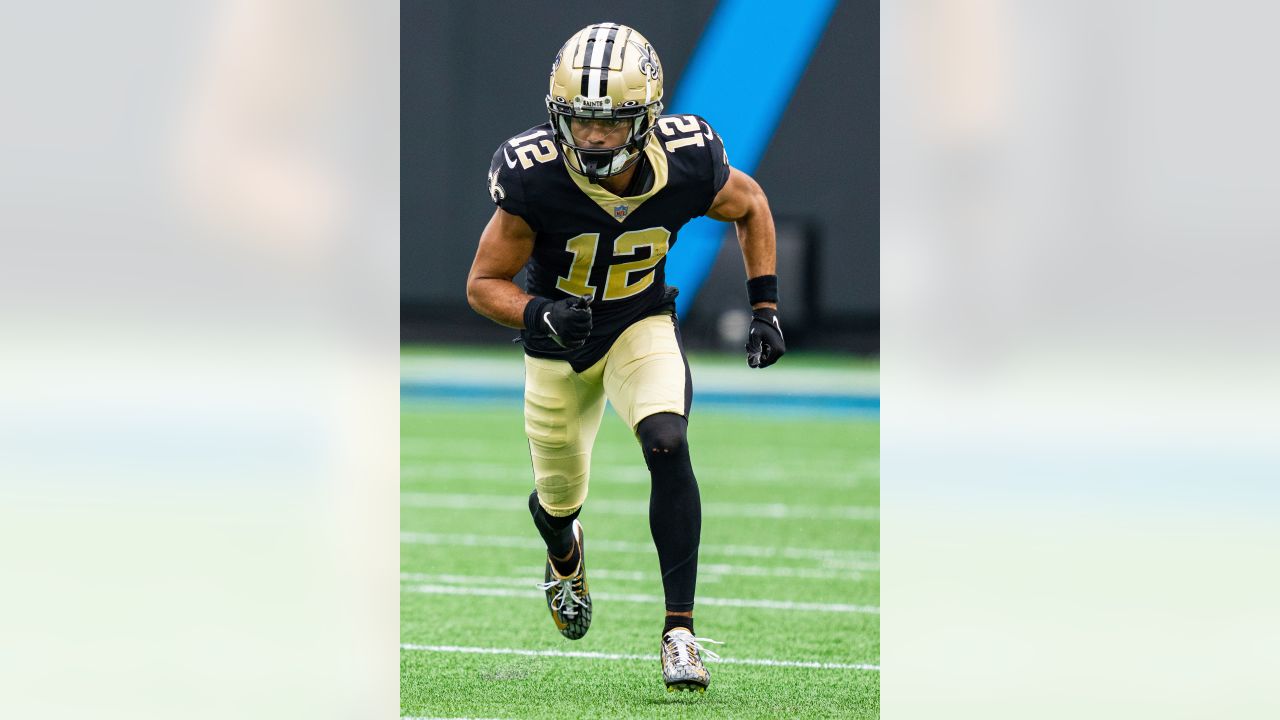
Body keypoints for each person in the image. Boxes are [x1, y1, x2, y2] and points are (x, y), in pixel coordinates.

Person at [465, 22, 786, 693]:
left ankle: (680, 633)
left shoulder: (688, 162)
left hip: (640, 323)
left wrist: (765, 307)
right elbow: (482, 283)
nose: (591, 138)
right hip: (558, 346)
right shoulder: (536, 179)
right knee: (557, 503)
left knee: (667, 440)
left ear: (645, 119)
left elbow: (750, 203)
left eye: (608, 124)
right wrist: (537, 312)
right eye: (579, 122)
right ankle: (563, 552)